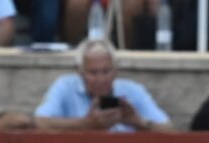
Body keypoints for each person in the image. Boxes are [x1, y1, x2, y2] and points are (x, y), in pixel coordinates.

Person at [34, 37, 173, 132]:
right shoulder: (65, 86)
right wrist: (86, 124)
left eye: (106, 71)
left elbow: (170, 130)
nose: (101, 79)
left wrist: (138, 122)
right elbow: (39, 123)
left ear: (116, 70)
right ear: (80, 72)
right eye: (93, 73)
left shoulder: (132, 91)